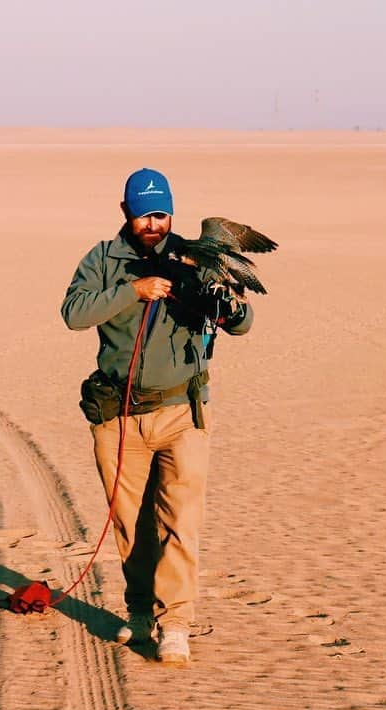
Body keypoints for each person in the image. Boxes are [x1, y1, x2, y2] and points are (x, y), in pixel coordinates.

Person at [60, 168, 253, 663]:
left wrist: (228, 308)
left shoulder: (194, 253)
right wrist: (133, 290)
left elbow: (244, 322)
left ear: (172, 213)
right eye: (145, 213)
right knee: (131, 524)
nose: (154, 222)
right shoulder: (102, 259)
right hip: (118, 416)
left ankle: (177, 624)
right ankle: (141, 612)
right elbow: (74, 313)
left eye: (162, 213)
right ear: (126, 212)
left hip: (182, 413)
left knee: (180, 521)